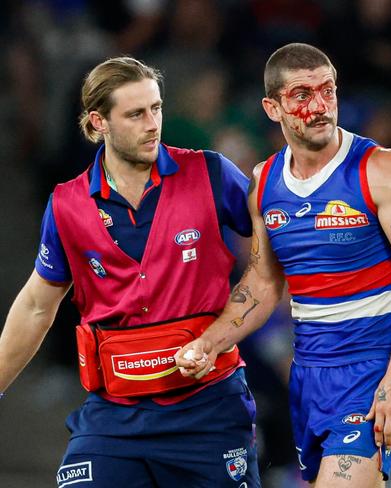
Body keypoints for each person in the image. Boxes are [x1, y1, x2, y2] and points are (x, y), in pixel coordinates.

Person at [176, 42, 391, 487]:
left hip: (372, 372)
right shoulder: (264, 182)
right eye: (302, 95)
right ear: (272, 107)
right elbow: (264, 283)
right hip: (308, 378)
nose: (320, 106)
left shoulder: (380, 169)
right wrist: (210, 342)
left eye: (328, 91)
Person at [0, 56, 261, 487]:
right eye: (136, 114)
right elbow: (34, 306)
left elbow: (278, 248)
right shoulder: (67, 205)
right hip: (113, 418)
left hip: (209, 410)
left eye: (156, 108)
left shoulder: (211, 173)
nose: (152, 123)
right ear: (98, 122)